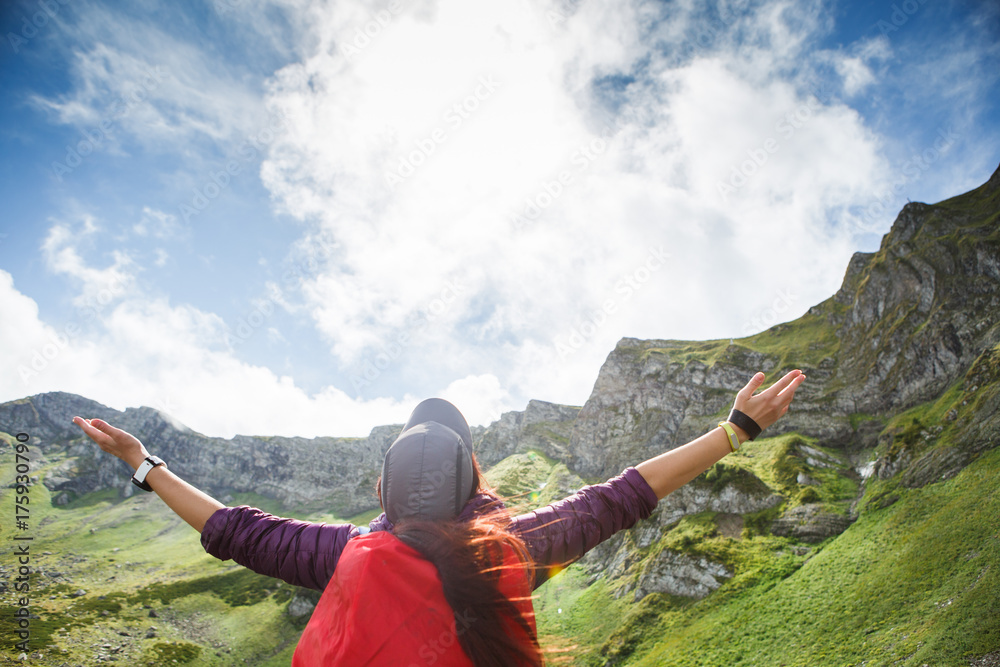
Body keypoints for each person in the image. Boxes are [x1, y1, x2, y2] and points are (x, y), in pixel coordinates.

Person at [73, 369, 806, 666]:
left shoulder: (346, 551)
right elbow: (621, 496)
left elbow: (234, 530)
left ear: (385, 487)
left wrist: (147, 465)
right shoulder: (512, 548)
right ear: (471, 481)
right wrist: (735, 429)